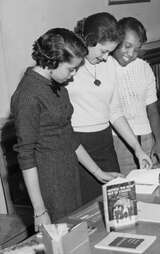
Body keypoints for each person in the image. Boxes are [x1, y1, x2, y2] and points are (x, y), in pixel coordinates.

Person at [11, 28, 120, 228]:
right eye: (71, 69)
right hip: (49, 181)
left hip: (70, 173)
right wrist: (39, 210)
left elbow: (68, 136)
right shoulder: (28, 95)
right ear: (53, 61)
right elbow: (26, 156)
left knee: (79, 232)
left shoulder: (57, 86)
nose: (73, 75)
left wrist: (98, 173)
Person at [67, 12, 152, 204]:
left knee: (115, 204)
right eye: (103, 51)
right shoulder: (69, 66)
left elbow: (115, 112)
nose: (106, 58)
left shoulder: (109, 65)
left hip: (104, 143)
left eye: (109, 52)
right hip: (77, 145)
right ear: (88, 40)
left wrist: (137, 149)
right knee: (84, 209)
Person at [112, 17, 160, 174]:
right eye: (127, 46)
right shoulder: (106, 67)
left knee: (151, 182)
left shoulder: (144, 68)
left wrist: (159, 140)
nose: (131, 54)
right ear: (116, 41)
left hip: (146, 136)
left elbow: (152, 109)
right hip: (118, 139)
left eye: (136, 49)